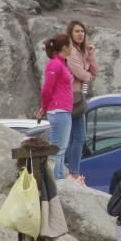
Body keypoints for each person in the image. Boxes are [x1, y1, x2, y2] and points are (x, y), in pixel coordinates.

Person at [65, 20, 98, 184]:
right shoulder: (71, 52)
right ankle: (73, 172)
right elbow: (80, 73)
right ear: (70, 33)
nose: (80, 34)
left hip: (78, 96)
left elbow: (94, 71)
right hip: (72, 96)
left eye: (82, 31)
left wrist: (91, 54)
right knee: (79, 137)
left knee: (74, 137)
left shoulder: (82, 51)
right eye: (77, 31)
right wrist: (87, 75)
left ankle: (71, 169)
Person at [37, 33, 74, 179]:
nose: (72, 48)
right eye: (70, 45)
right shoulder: (55, 64)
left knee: (61, 148)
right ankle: (54, 180)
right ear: (65, 47)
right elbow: (47, 88)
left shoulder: (61, 63)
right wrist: (44, 107)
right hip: (58, 109)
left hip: (64, 109)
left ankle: (58, 178)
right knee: (57, 148)